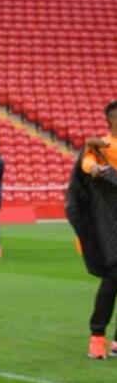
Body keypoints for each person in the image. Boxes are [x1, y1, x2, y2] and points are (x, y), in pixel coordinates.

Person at [66, 100, 117, 360]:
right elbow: (86, 164)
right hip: (110, 222)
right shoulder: (101, 147)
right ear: (110, 120)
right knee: (113, 277)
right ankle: (97, 336)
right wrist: (95, 168)